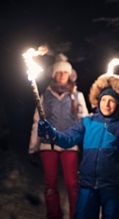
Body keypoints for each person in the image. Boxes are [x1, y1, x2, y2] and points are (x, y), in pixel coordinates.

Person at [37, 72, 119, 219]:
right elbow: (68, 139)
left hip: (112, 185)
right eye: (103, 99)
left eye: (111, 100)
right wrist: (52, 134)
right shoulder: (88, 122)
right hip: (87, 184)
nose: (107, 104)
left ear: (118, 103)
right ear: (98, 101)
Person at [29, 53, 89, 219]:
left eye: (65, 72)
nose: (62, 75)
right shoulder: (45, 96)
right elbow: (37, 122)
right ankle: (53, 214)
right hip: (48, 145)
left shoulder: (77, 96)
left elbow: (84, 122)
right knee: (50, 184)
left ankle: (76, 215)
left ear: (70, 75)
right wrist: (33, 148)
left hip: (70, 144)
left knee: (72, 183)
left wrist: (86, 143)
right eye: (59, 72)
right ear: (54, 74)